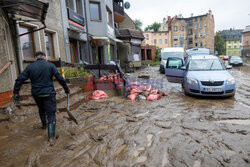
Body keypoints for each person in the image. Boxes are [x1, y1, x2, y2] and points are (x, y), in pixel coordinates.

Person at [13, 51, 70, 143]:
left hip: (36, 94)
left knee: (41, 109)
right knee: (51, 114)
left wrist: (16, 93)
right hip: (49, 93)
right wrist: (66, 89)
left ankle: (44, 125)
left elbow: (19, 79)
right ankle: (51, 137)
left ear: (36, 58)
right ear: (45, 57)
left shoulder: (30, 67)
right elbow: (59, 78)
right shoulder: (50, 66)